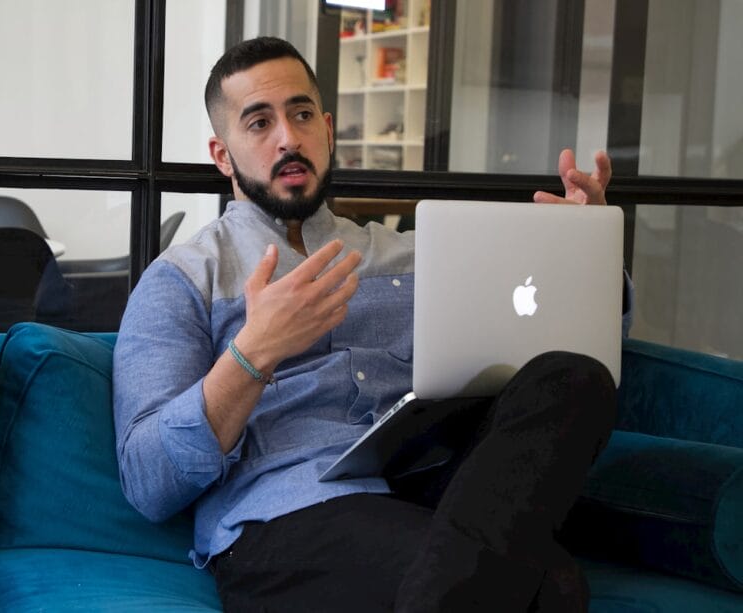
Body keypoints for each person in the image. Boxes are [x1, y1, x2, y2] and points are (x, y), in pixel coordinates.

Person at [113, 36, 630, 612]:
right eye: (259, 123)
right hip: (290, 511)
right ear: (222, 155)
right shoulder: (184, 278)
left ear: (327, 130)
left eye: (301, 114)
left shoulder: (423, 255)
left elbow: (563, 350)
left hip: (440, 489)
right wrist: (253, 353)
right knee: (551, 588)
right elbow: (149, 480)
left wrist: (582, 257)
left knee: (574, 376)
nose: (288, 138)